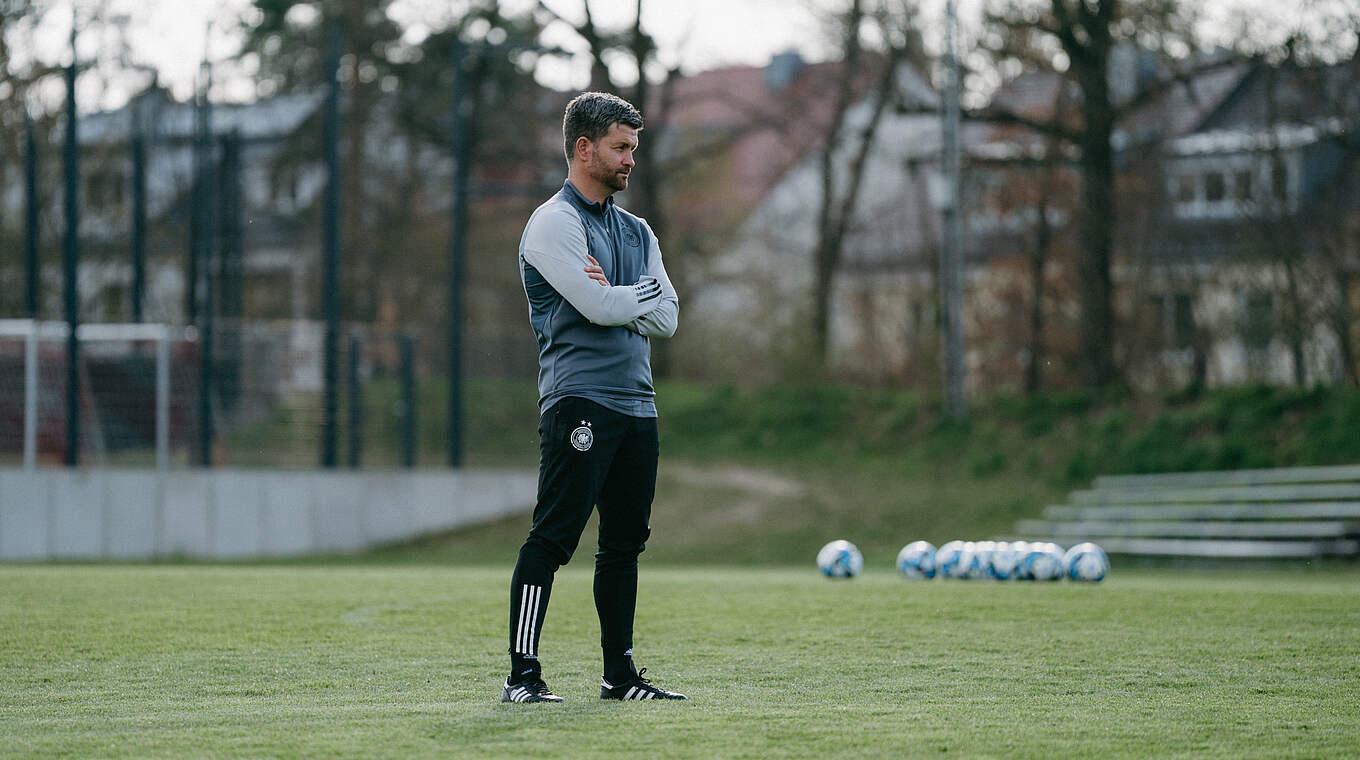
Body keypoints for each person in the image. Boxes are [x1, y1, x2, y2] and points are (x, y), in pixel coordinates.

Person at [501, 91, 684, 704]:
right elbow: (603, 306)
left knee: (624, 545)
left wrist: (620, 301)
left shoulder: (637, 229)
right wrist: (632, 300)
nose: (631, 159)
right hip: (578, 400)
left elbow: (670, 317)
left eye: (634, 147)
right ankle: (522, 678)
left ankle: (620, 678)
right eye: (620, 147)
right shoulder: (553, 223)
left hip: (638, 405)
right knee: (553, 539)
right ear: (584, 148)